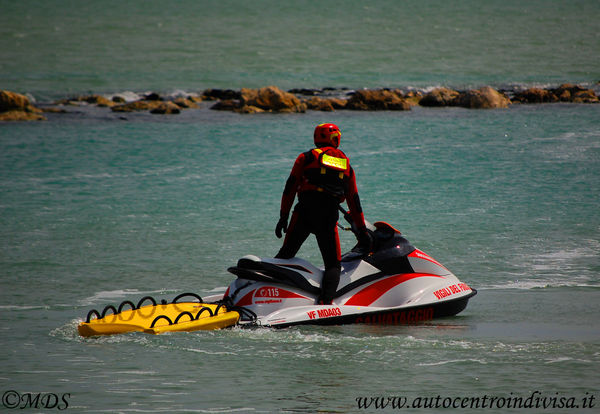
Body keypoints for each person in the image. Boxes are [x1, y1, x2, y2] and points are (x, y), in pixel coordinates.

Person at [275, 123, 372, 305]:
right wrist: (362, 231)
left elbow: (290, 188)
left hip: (304, 212)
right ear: (335, 138)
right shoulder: (346, 166)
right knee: (333, 265)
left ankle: (266, 292)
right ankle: (325, 304)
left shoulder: (305, 157)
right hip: (328, 217)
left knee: (285, 255)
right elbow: (354, 202)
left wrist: (283, 216)